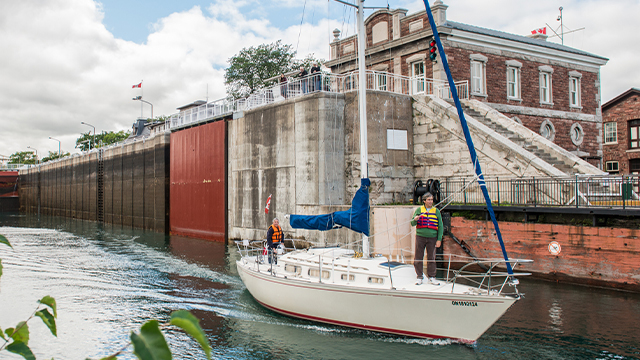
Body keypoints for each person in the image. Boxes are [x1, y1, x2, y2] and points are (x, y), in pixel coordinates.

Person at [410, 192, 443, 285]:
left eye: (432, 199)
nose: (431, 201)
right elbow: (412, 223)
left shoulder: (436, 211)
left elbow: (440, 226)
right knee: (418, 257)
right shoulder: (419, 210)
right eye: (429, 200)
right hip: (420, 236)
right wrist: (415, 219)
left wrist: (439, 239)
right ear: (424, 201)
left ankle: (432, 277)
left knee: (431, 257)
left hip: (432, 237)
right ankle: (419, 276)